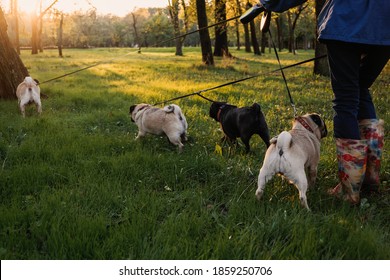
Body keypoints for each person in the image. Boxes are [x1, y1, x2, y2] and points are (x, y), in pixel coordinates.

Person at [241, 0, 390, 204]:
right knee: (361, 89)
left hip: (348, 19)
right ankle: (369, 178)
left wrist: (267, 3)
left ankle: (350, 189)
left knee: (346, 100)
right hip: (384, 23)